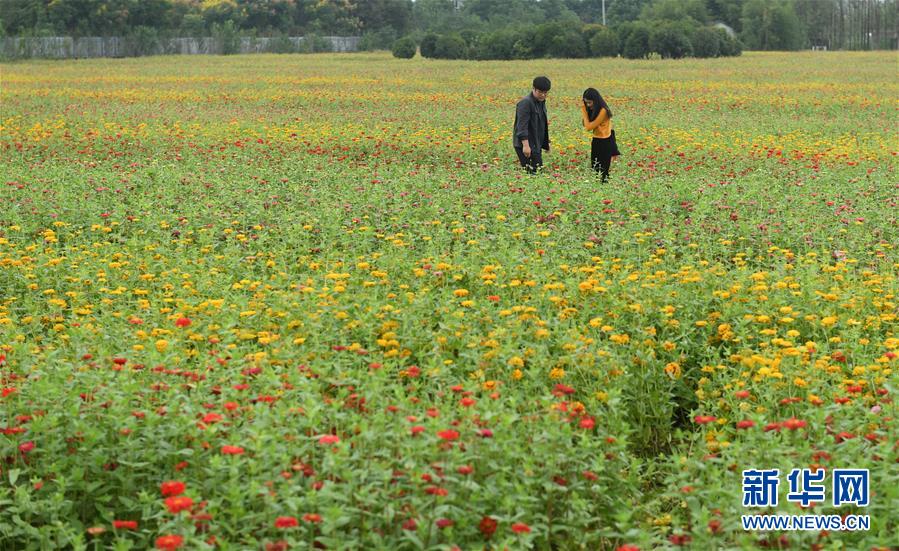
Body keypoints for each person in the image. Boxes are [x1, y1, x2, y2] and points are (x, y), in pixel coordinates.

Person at [581, 87, 620, 182]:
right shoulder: (594, 109)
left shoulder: (603, 111)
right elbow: (585, 124)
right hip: (596, 140)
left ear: (596, 101)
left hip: (606, 141)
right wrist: (586, 114)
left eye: (590, 102)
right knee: (595, 169)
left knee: (603, 172)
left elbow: (588, 127)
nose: (588, 105)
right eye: (586, 103)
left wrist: (584, 111)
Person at [513, 76, 551, 174]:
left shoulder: (541, 102)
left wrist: (546, 143)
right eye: (540, 92)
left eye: (545, 93)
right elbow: (521, 126)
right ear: (533, 88)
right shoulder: (526, 103)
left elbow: (542, 125)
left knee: (537, 172)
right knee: (533, 174)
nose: (543, 95)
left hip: (535, 143)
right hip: (526, 145)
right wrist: (526, 146)